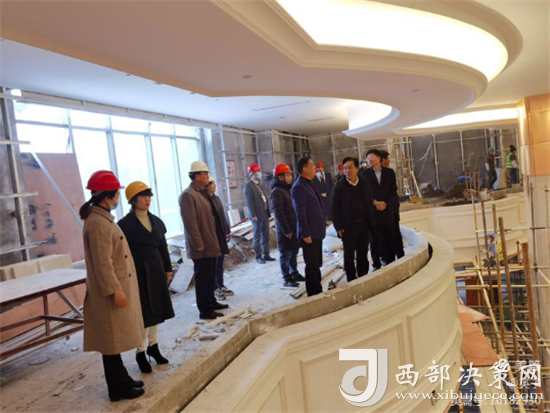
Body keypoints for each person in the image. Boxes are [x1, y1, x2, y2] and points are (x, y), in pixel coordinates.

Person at [79, 170, 145, 402]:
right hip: (109, 291)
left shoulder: (101, 219)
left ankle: (122, 380)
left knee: (113, 341)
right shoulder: (98, 224)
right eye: (116, 194)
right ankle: (118, 389)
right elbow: (102, 263)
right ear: (108, 197)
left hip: (115, 286)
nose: (118, 198)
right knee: (110, 342)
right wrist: (115, 290)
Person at [118, 181, 175, 374]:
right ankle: (140, 352)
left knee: (156, 310)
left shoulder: (156, 221)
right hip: (138, 271)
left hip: (156, 268)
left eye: (149, 196)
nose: (147, 199)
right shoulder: (124, 225)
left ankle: (154, 346)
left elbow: (163, 248)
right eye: (143, 196)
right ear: (133, 200)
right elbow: (121, 253)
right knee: (144, 313)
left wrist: (167, 269)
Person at [179, 161, 229, 320]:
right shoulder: (188, 195)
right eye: (205, 174)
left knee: (211, 276)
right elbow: (190, 223)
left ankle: (211, 302)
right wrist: (198, 244)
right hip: (201, 247)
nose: (208, 176)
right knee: (203, 279)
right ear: (196, 176)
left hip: (211, 242)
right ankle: (205, 310)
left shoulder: (202, 193)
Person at [331, 157, 375, 282]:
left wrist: (371, 222)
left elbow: (369, 203)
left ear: (357, 169)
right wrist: (338, 226)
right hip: (348, 226)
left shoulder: (364, 183)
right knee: (349, 254)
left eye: (350, 167)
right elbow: (334, 208)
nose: (347, 170)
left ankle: (363, 276)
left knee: (362, 252)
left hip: (363, 224)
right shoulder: (339, 186)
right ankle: (351, 278)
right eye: (345, 168)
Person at [291, 157, 326, 296]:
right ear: (304, 168)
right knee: (312, 265)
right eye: (312, 165)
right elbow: (300, 212)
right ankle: (313, 294)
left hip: (316, 231)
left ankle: (318, 290)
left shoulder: (308, 183)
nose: (315, 167)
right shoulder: (298, 187)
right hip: (309, 234)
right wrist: (305, 233)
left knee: (316, 264)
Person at [270, 164, 304, 288]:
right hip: (286, 230)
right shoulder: (277, 192)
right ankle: (287, 278)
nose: (290, 177)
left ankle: (294, 273)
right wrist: (286, 230)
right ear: (281, 177)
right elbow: (278, 213)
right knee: (286, 254)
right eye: (288, 175)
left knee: (294, 251)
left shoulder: (286, 189)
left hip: (293, 227)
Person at [364, 149, 399, 268]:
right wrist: (375, 203)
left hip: (387, 210)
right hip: (373, 211)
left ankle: (391, 261)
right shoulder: (365, 174)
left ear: (378, 158)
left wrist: (385, 203)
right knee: (374, 239)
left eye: (372, 157)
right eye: (368, 158)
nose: (370, 160)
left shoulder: (389, 172)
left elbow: (393, 190)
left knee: (390, 237)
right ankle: (376, 264)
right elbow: (365, 193)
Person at [205, 175, 234, 301]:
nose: (215, 186)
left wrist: (227, 230)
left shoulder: (216, 198)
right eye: (212, 184)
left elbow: (222, 216)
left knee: (220, 262)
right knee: (214, 263)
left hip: (221, 235)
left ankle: (221, 285)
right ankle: (215, 288)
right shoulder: (205, 201)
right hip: (212, 236)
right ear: (206, 186)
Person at [244, 162, 274, 264]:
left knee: (266, 235)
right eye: (258, 172)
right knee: (257, 237)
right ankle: (258, 257)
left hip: (264, 213)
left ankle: (266, 255)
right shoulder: (248, 186)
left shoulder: (259, 184)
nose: (260, 173)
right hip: (256, 215)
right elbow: (249, 202)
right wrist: (253, 215)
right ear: (252, 173)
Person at [379, 150, 404, 259]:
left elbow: (393, 190)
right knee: (385, 234)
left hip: (392, 207)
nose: (389, 161)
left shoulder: (389, 172)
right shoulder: (371, 175)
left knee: (395, 231)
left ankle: (399, 253)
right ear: (382, 160)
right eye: (388, 159)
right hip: (384, 209)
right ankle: (387, 255)